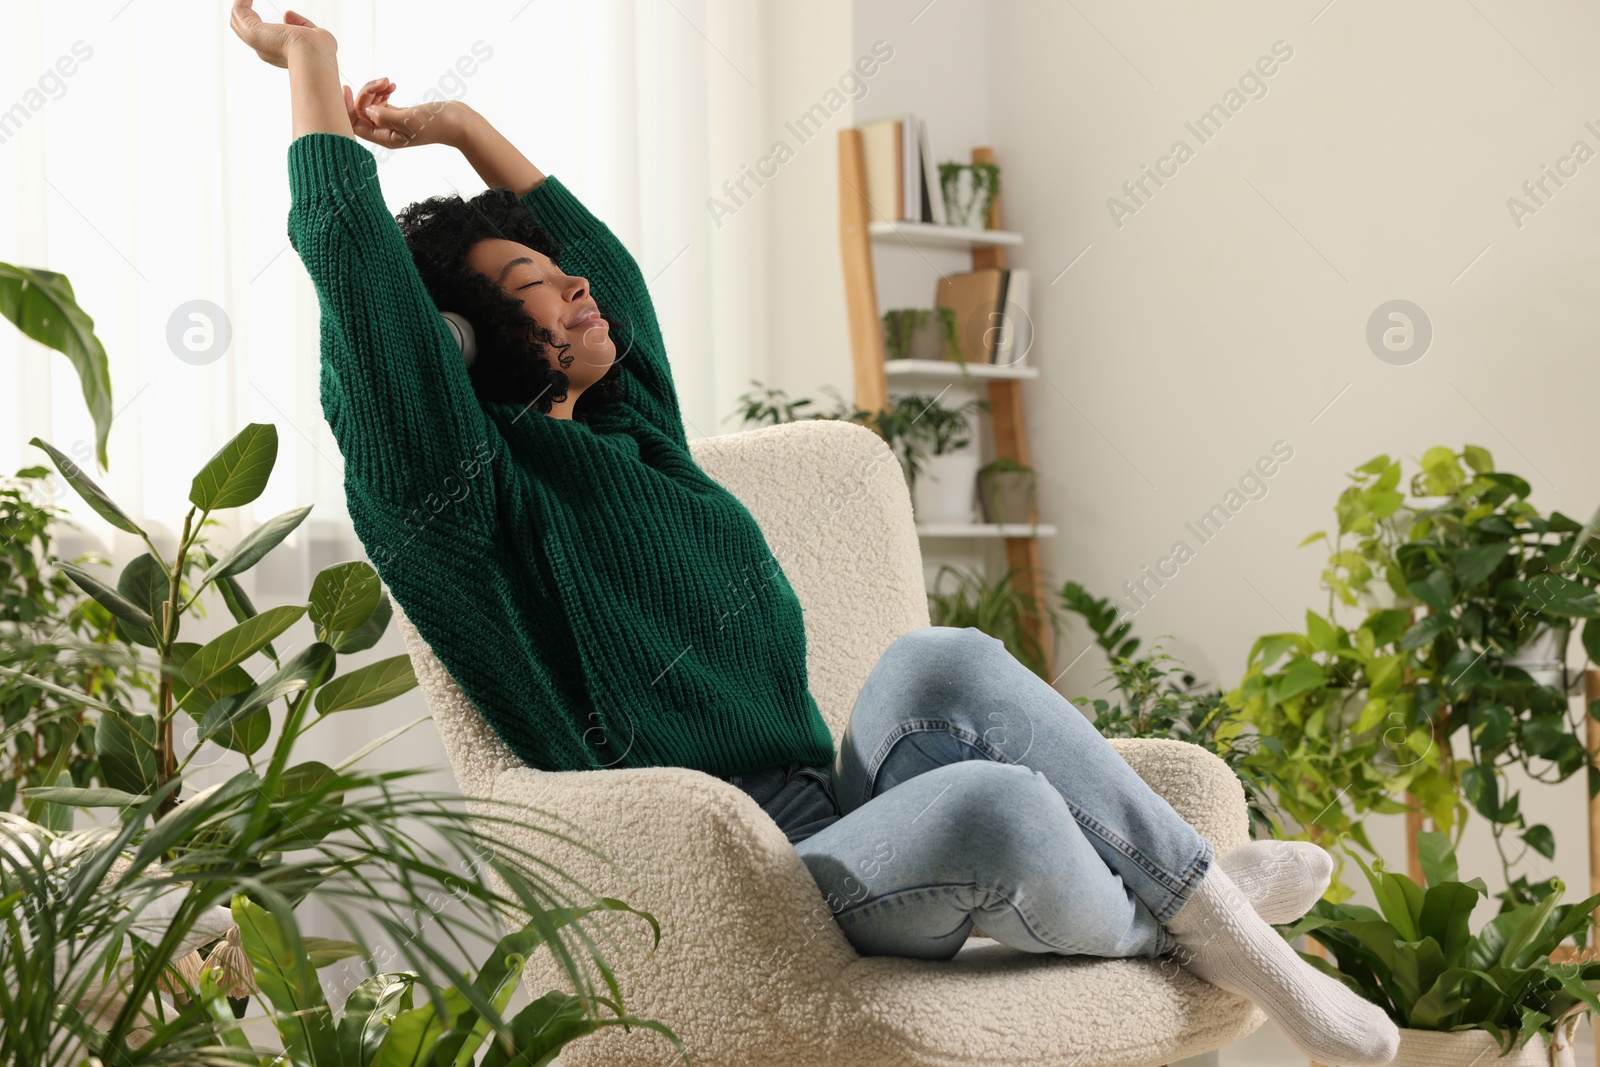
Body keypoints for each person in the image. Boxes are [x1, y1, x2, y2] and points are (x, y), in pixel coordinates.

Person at [229, 4, 1398, 1063]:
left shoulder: (638, 432)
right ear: (467, 336)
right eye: (535, 280)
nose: (578, 286)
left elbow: (616, 278)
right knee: (995, 807)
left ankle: (1212, 922)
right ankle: (1198, 919)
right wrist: (315, 69)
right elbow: (358, 277)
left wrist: (463, 127)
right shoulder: (462, 500)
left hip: (839, 809)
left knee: (936, 662)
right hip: (740, 878)